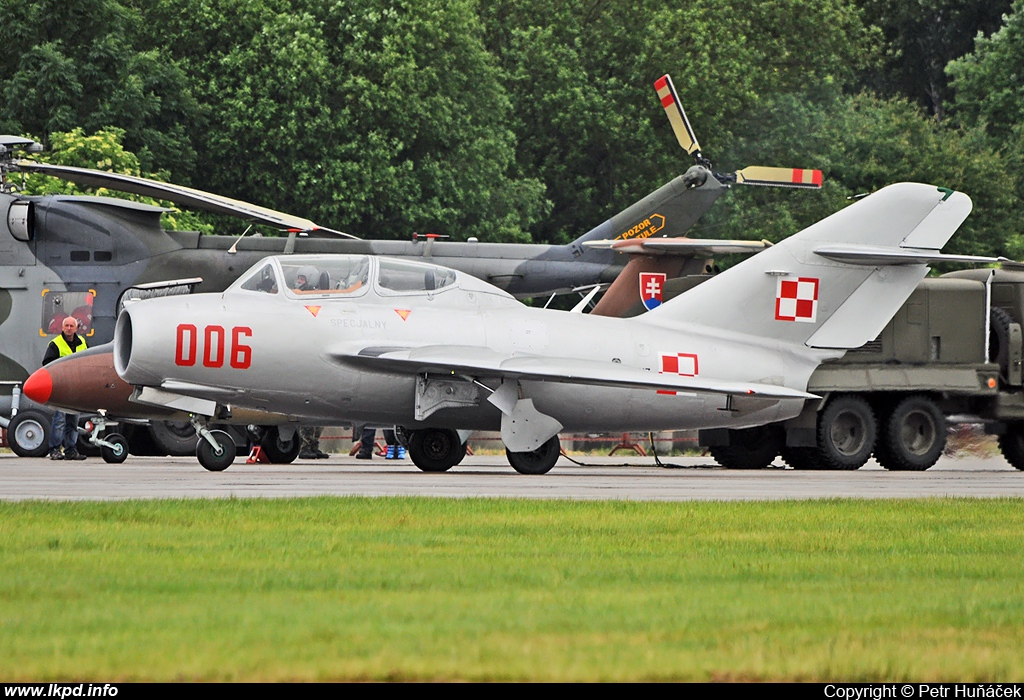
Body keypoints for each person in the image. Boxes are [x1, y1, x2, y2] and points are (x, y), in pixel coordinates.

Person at [42, 316, 88, 460]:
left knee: (73, 421)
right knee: (59, 420)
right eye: (66, 326)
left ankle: (71, 450)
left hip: (76, 388)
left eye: (71, 326)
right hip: (61, 388)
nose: (68, 328)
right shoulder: (55, 344)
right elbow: (47, 364)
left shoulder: (82, 343)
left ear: (76, 328)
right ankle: (54, 449)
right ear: (62, 328)